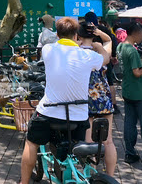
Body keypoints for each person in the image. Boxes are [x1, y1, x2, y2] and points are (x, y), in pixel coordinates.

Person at [19, 17, 110, 184]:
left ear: (57, 34)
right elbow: (106, 58)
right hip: (78, 117)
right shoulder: (88, 55)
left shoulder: (48, 49)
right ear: (76, 35)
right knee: (73, 151)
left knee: (31, 144)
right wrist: (98, 47)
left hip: (49, 113)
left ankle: (23, 183)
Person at [77, 21, 117, 176]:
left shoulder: (76, 51)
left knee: (89, 142)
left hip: (86, 100)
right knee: (108, 142)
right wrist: (98, 33)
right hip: (104, 99)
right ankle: (111, 177)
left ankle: (90, 175)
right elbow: (108, 40)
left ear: (78, 34)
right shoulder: (101, 52)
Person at [117, 21, 142, 167]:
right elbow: (137, 72)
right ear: (135, 33)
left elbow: (130, 66)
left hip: (127, 90)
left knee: (129, 123)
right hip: (139, 92)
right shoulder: (132, 50)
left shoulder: (121, 46)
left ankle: (130, 153)